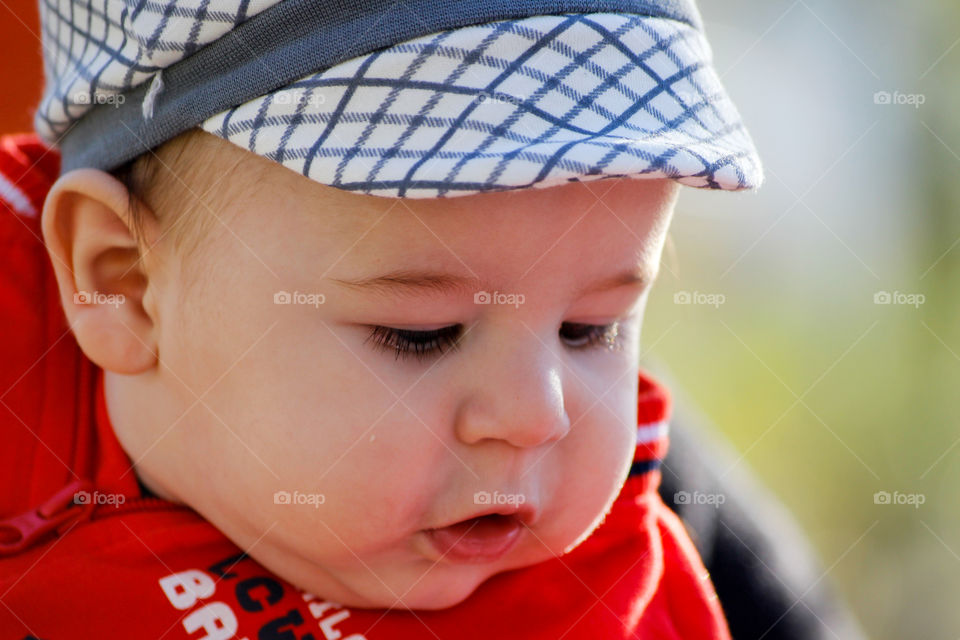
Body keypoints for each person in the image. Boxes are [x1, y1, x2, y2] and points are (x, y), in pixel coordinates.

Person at [0, 1, 764, 637]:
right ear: (124, 284)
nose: (537, 416)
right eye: (422, 333)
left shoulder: (607, 599)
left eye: (590, 328)